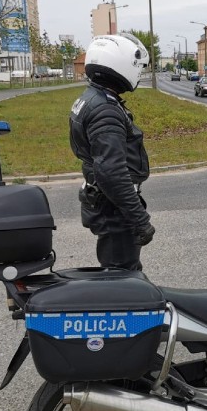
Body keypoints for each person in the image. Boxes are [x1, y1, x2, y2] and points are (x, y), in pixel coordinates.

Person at [69, 32, 155, 271]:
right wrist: (140, 219)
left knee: (118, 271)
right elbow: (112, 172)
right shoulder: (105, 109)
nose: (138, 73)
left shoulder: (91, 98)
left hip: (105, 201)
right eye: (137, 67)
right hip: (114, 207)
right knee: (123, 277)